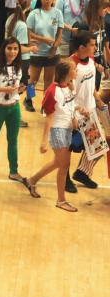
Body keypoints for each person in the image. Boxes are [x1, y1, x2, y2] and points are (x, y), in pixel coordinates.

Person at [26, 59, 80, 211]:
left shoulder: (69, 86)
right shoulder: (52, 91)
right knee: (64, 165)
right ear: (66, 72)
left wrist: (75, 116)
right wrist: (43, 141)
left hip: (68, 129)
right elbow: (48, 117)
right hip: (58, 131)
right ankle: (61, 200)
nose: (76, 71)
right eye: (74, 69)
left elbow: (69, 106)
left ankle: (32, 181)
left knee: (57, 162)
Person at [0, 37, 29, 182]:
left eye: (15, 49)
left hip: (14, 108)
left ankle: (13, 171)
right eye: (9, 48)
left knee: (13, 140)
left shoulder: (20, 66)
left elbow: (18, 88)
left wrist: (21, 90)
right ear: (3, 49)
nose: (12, 52)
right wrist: (4, 89)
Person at [71, 30, 106, 188]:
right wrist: (74, 115)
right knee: (70, 149)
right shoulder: (72, 65)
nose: (94, 48)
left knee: (100, 145)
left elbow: (91, 85)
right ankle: (65, 178)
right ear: (81, 47)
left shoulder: (91, 59)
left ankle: (82, 172)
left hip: (91, 111)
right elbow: (67, 94)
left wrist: (98, 99)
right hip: (77, 114)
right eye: (91, 45)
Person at [26, 0, 64, 110]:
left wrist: (55, 47)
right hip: (36, 52)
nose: (47, 1)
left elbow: (59, 34)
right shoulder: (34, 14)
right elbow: (28, 33)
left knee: (49, 80)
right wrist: (42, 39)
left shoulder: (58, 13)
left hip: (52, 53)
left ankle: (45, 103)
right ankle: (29, 99)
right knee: (33, 79)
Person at [6, 1, 38, 121]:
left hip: (14, 60)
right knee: (19, 89)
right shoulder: (22, 25)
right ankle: (14, 116)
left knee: (19, 87)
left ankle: (14, 113)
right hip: (22, 61)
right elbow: (19, 48)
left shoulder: (10, 19)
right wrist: (32, 48)